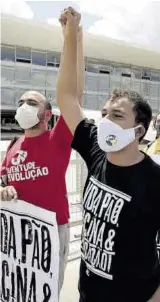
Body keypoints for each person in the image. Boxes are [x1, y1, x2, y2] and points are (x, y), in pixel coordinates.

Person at [56, 7, 160, 302]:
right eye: (106, 113)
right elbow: (67, 97)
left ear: (138, 131)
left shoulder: (155, 181)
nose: (106, 120)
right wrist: (71, 37)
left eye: (117, 115)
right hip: (89, 294)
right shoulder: (95, 148)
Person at [0, 25, 84, 294]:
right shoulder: (13, 145)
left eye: (32, 103)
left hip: (50, 230)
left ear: (47, 115)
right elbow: (1, 180)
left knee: (45, 291)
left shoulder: (57, 138)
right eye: (22, 101)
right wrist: (3, 190)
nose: (24, 105)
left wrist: (71, 39)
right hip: (16, 229)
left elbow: (72, 93)